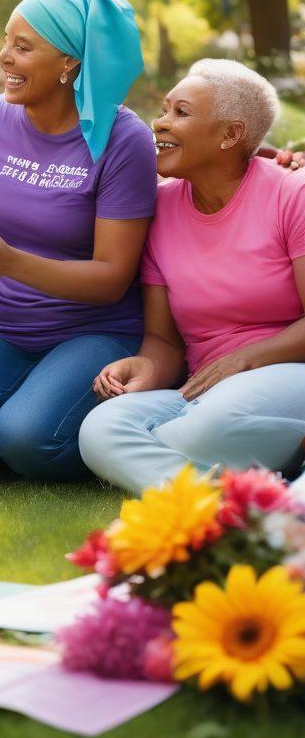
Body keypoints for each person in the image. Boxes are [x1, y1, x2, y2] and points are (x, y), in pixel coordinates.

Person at [0, 0, 157, 481]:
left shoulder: (124, 140)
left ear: (69, 63)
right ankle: (26, 428)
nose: (4, 58)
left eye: (23, 48)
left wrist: (10, 262)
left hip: (94, 330)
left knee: (27, 438)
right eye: (6, 41)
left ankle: (61, 435)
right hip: (0, 325)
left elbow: (112, 276)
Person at [79, 59, 305, 494]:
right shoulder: (160, 209)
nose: (160, 124)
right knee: (100, 429)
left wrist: (245, 358)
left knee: (206, 429)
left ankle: (202, 493)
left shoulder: (290, 195)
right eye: (163, 111)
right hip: (204, 389)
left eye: (180, 113)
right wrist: (144, 368)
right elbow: (164, 342)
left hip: (286, 375)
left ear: (230, 135)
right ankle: (237, 505)